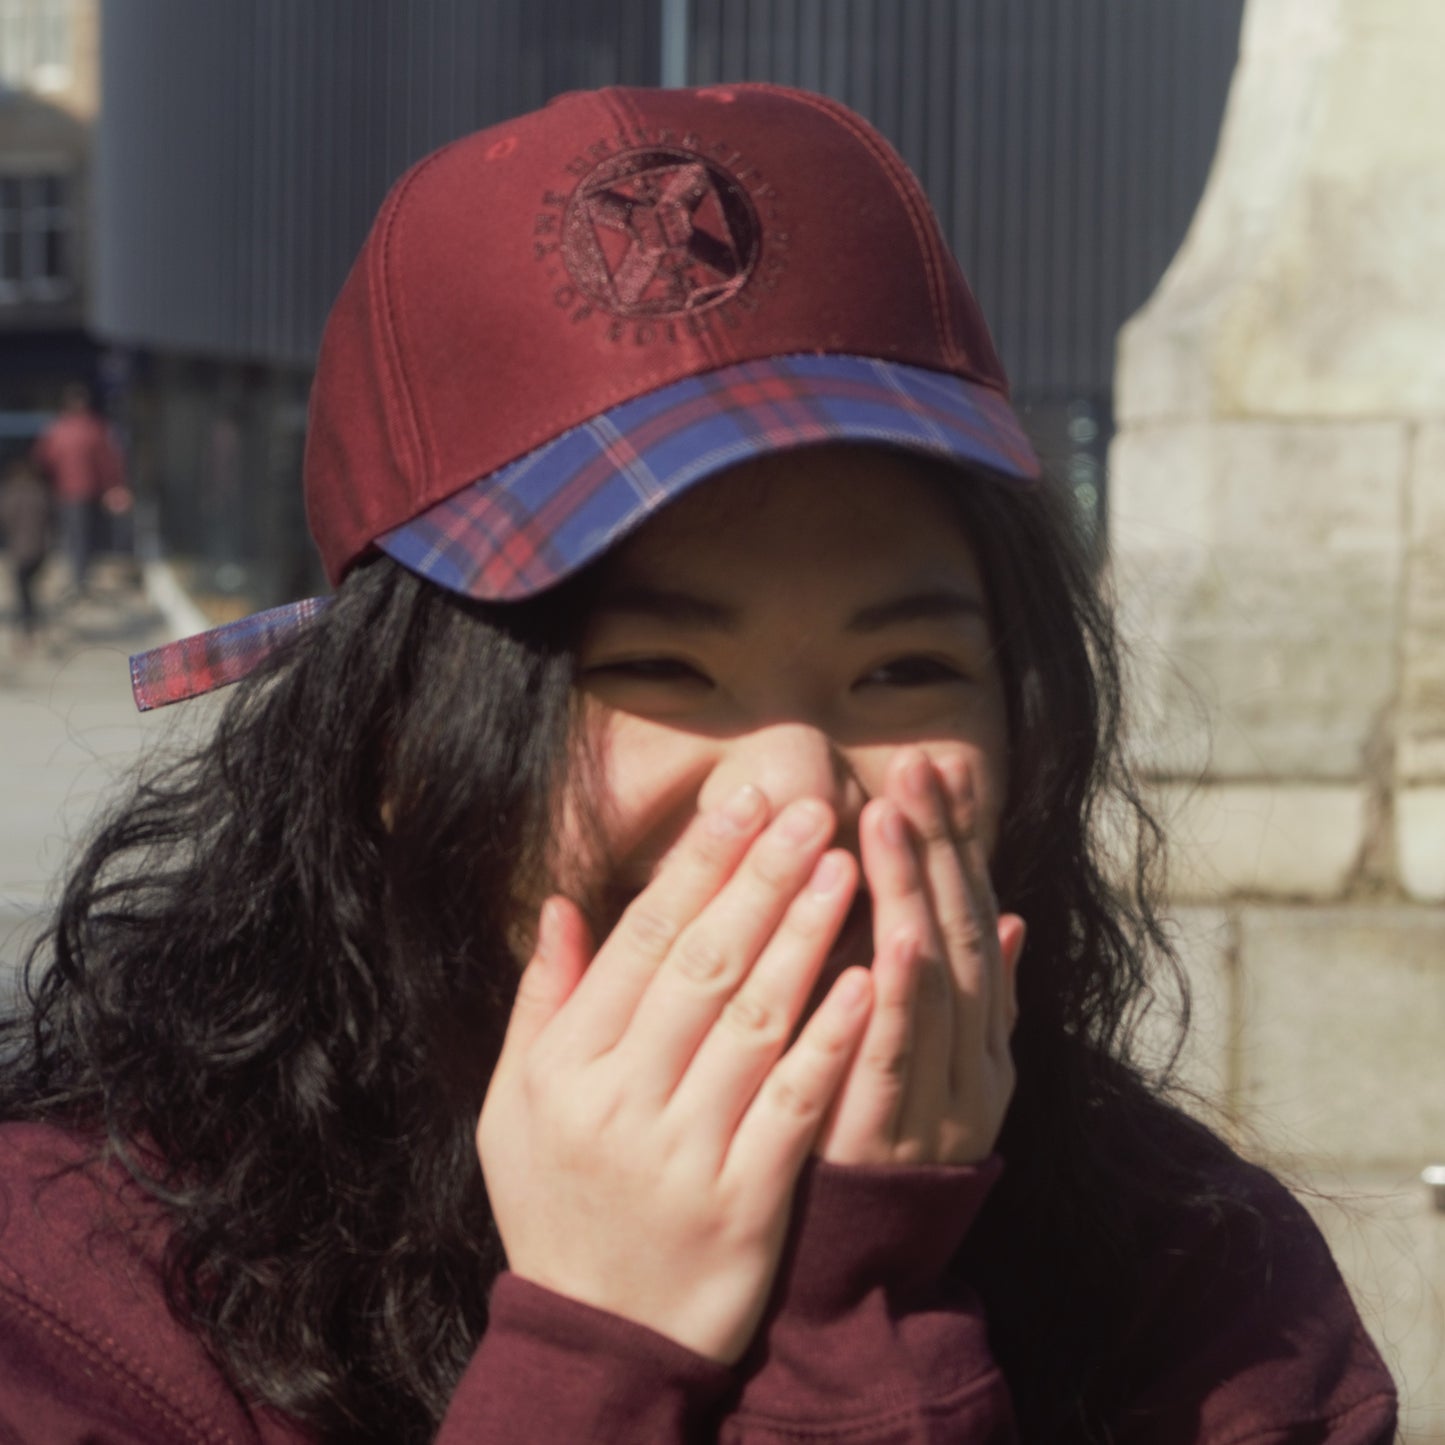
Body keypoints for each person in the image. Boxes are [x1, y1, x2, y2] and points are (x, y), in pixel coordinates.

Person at [0, 84, 1395, 1444]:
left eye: (903, 672)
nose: (798, 791)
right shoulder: (93, 1291)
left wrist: (856, 1305)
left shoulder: (1208, 1295)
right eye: (658, 672)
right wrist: (594, 1357)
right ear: (390, 745)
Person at [30, 382, 127, 597]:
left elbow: (43, 459)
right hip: (85, 490)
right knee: (82, 535)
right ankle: (79, 578)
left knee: (72, 535)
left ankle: (77, 577)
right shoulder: (94, 428)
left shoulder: (57, 428)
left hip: (65, 491)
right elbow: (108, 461)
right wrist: (113, 485)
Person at [0, 455, 51, 655]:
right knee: (29, 590)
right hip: (40, 550)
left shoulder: (9, 495)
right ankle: (32, 626)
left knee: (23, 592)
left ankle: (27, 629)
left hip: (20, 550)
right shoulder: (41, 494)